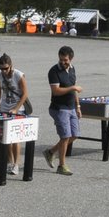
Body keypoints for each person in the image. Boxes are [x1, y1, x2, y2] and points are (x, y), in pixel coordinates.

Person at [43, 45, 81, 176]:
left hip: (71, 107)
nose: (63, 62)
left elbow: (74, 90)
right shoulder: (53, 71)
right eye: (61, 60)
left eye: (65, 60)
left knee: (74, 135)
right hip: (59, 108)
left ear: (71, 59)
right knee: (65, 137)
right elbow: (56, 91)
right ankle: (62, 166)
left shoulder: (72, 69)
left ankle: (51, 152)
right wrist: (73, 88)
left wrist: (78, 106)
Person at [0, 53, 30, 175]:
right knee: (6, 138)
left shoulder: (18, 75)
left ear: (11, 66)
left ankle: (16, 164)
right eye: (1, 68)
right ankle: (10, 162)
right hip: (5, 107)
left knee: (15, 138)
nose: (3, 71)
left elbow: (25, 94)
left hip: (17, 109)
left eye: (6, 68)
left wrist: (16, 108)